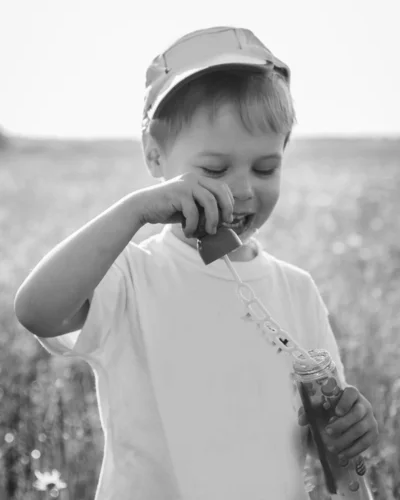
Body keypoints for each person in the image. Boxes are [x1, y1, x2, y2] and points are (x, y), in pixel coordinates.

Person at [14, 26, 378, 499]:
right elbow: (36, 310)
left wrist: (346, 431)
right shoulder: (129, 277)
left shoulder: (297, 290)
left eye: (266, 168)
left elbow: (318, 441)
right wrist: (135, 211)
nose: (244, 189)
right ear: (155, 158)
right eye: (214, 170)